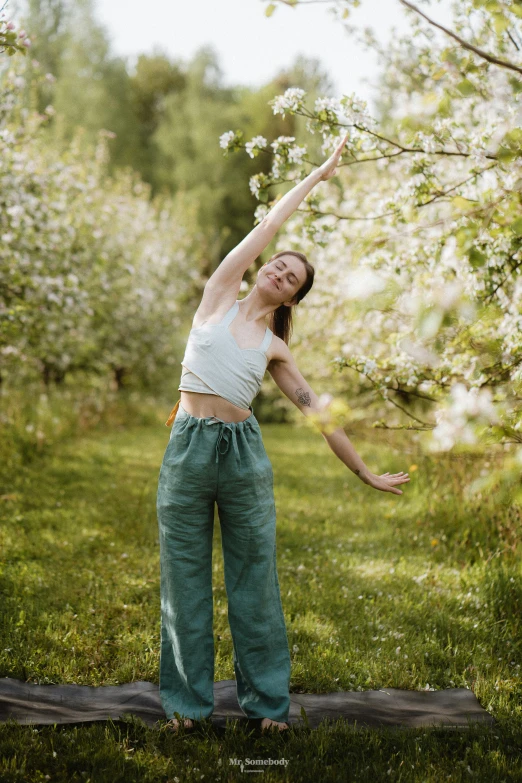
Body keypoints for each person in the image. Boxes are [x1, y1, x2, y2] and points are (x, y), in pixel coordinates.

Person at [156, 134, 410, 734]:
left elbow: (319, 414)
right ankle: (186, 707)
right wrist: (318, 176)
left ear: (292, 295)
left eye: (290, 274)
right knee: (183, 579)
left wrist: (364, 471)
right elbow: (267, 226)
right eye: (278, 262)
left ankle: (267, 708)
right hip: (188, 448)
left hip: (242, 460)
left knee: (254, 584)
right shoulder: (218, 295)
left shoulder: (275, 348)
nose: (277, 267)